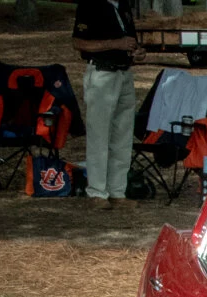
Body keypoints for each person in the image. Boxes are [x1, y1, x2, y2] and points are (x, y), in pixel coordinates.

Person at [72, 0, 145, 210]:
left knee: (123, 135)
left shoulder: (123, 6)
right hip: (102, 72)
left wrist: (138, 52)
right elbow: (79, 42)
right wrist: (116, 44)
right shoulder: (90, 4)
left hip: (124, 73)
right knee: (99, 134)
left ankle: (117, 191)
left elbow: (130, 42)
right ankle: (96, 191)